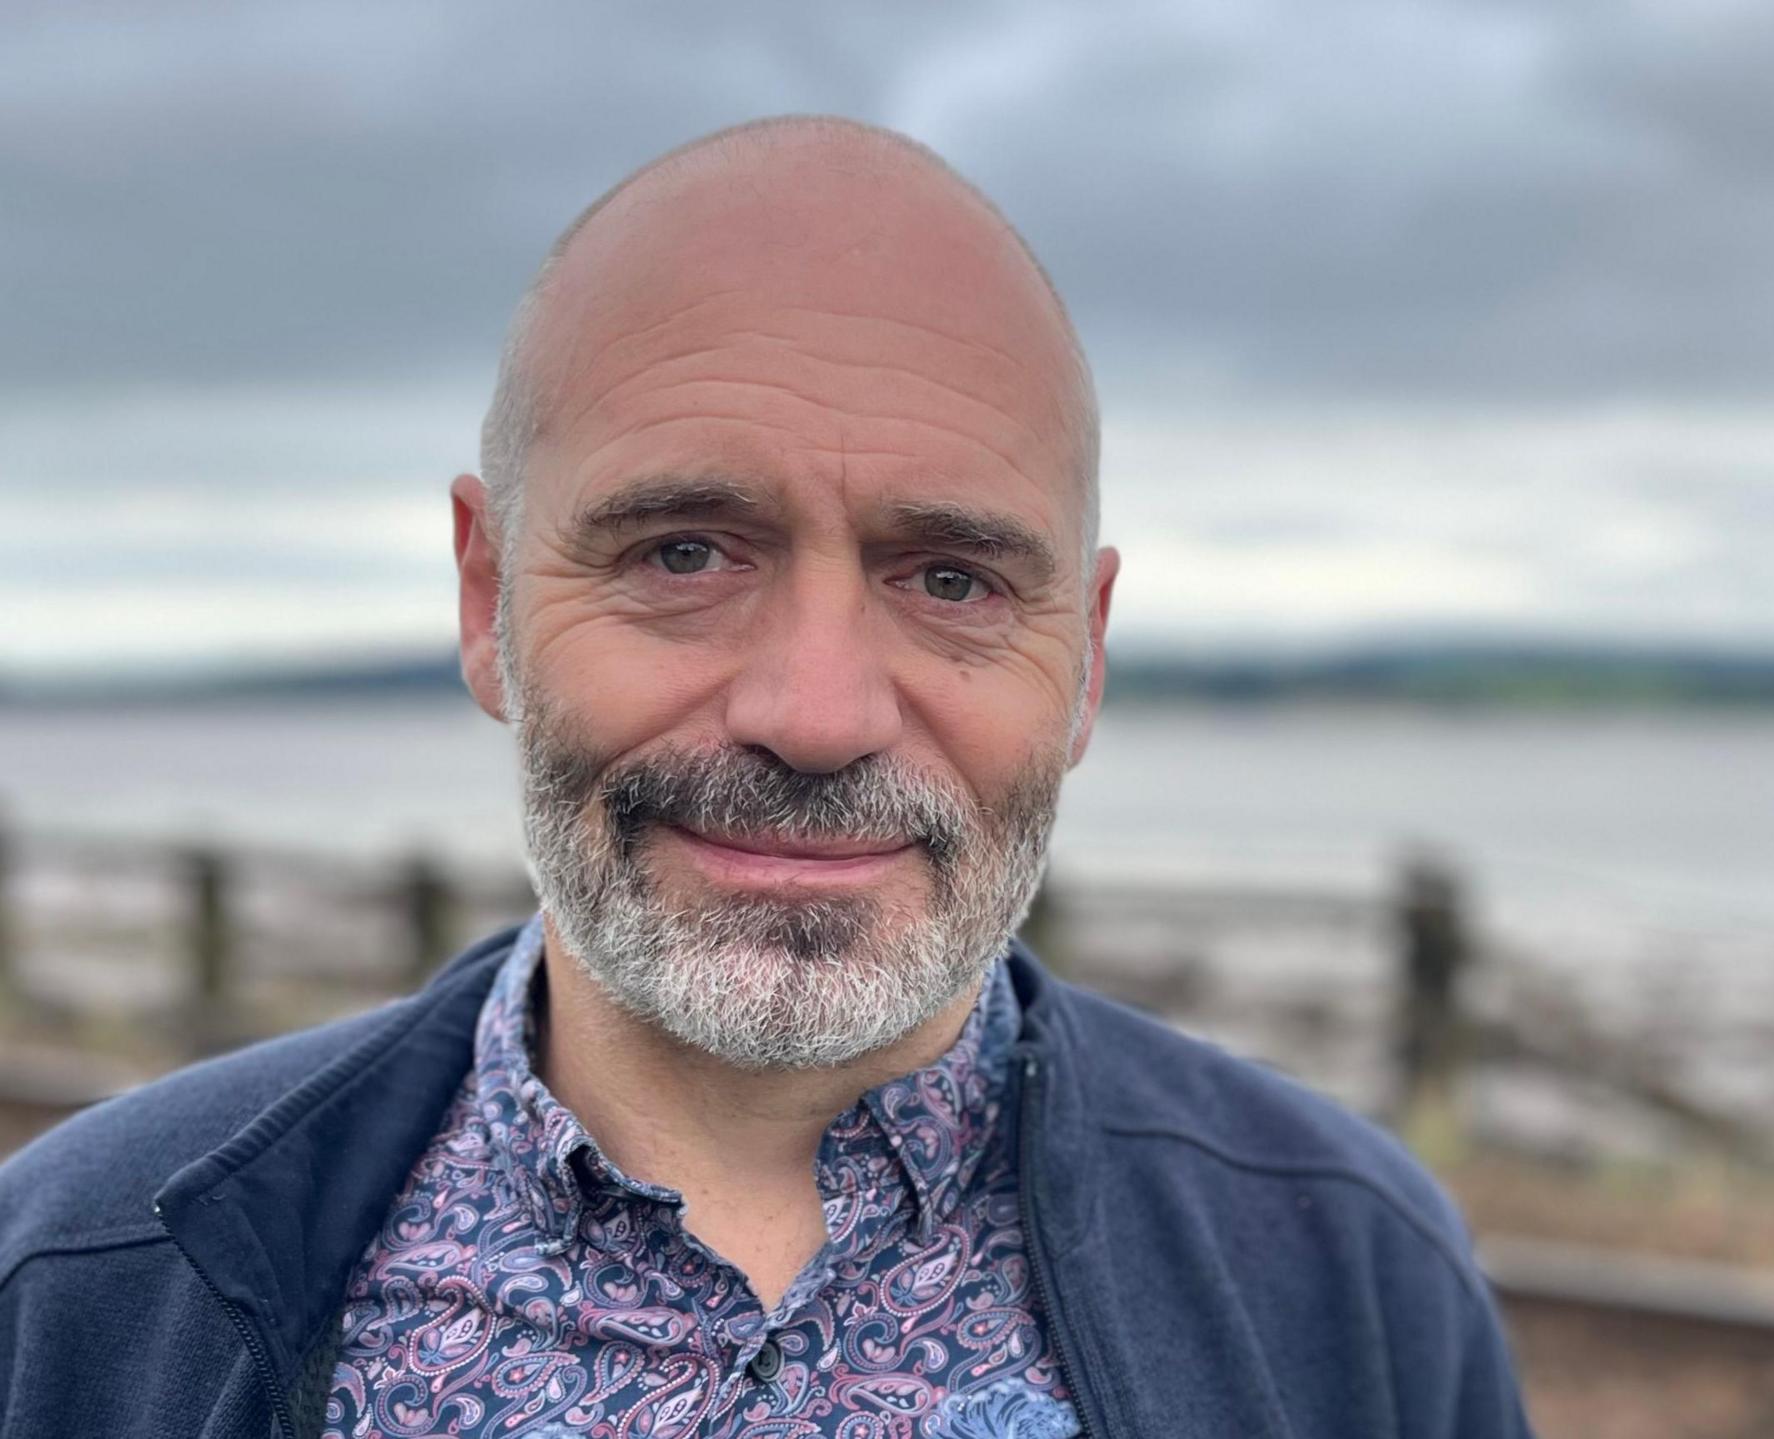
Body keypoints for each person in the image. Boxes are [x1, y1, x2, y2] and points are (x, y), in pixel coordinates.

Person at [0, 117, 1532, 1438]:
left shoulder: (1352, 1276)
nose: (814, 714)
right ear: (487, 602)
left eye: (951, 579)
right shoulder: (81, 1291)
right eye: (683, 553)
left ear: (1088, 658)